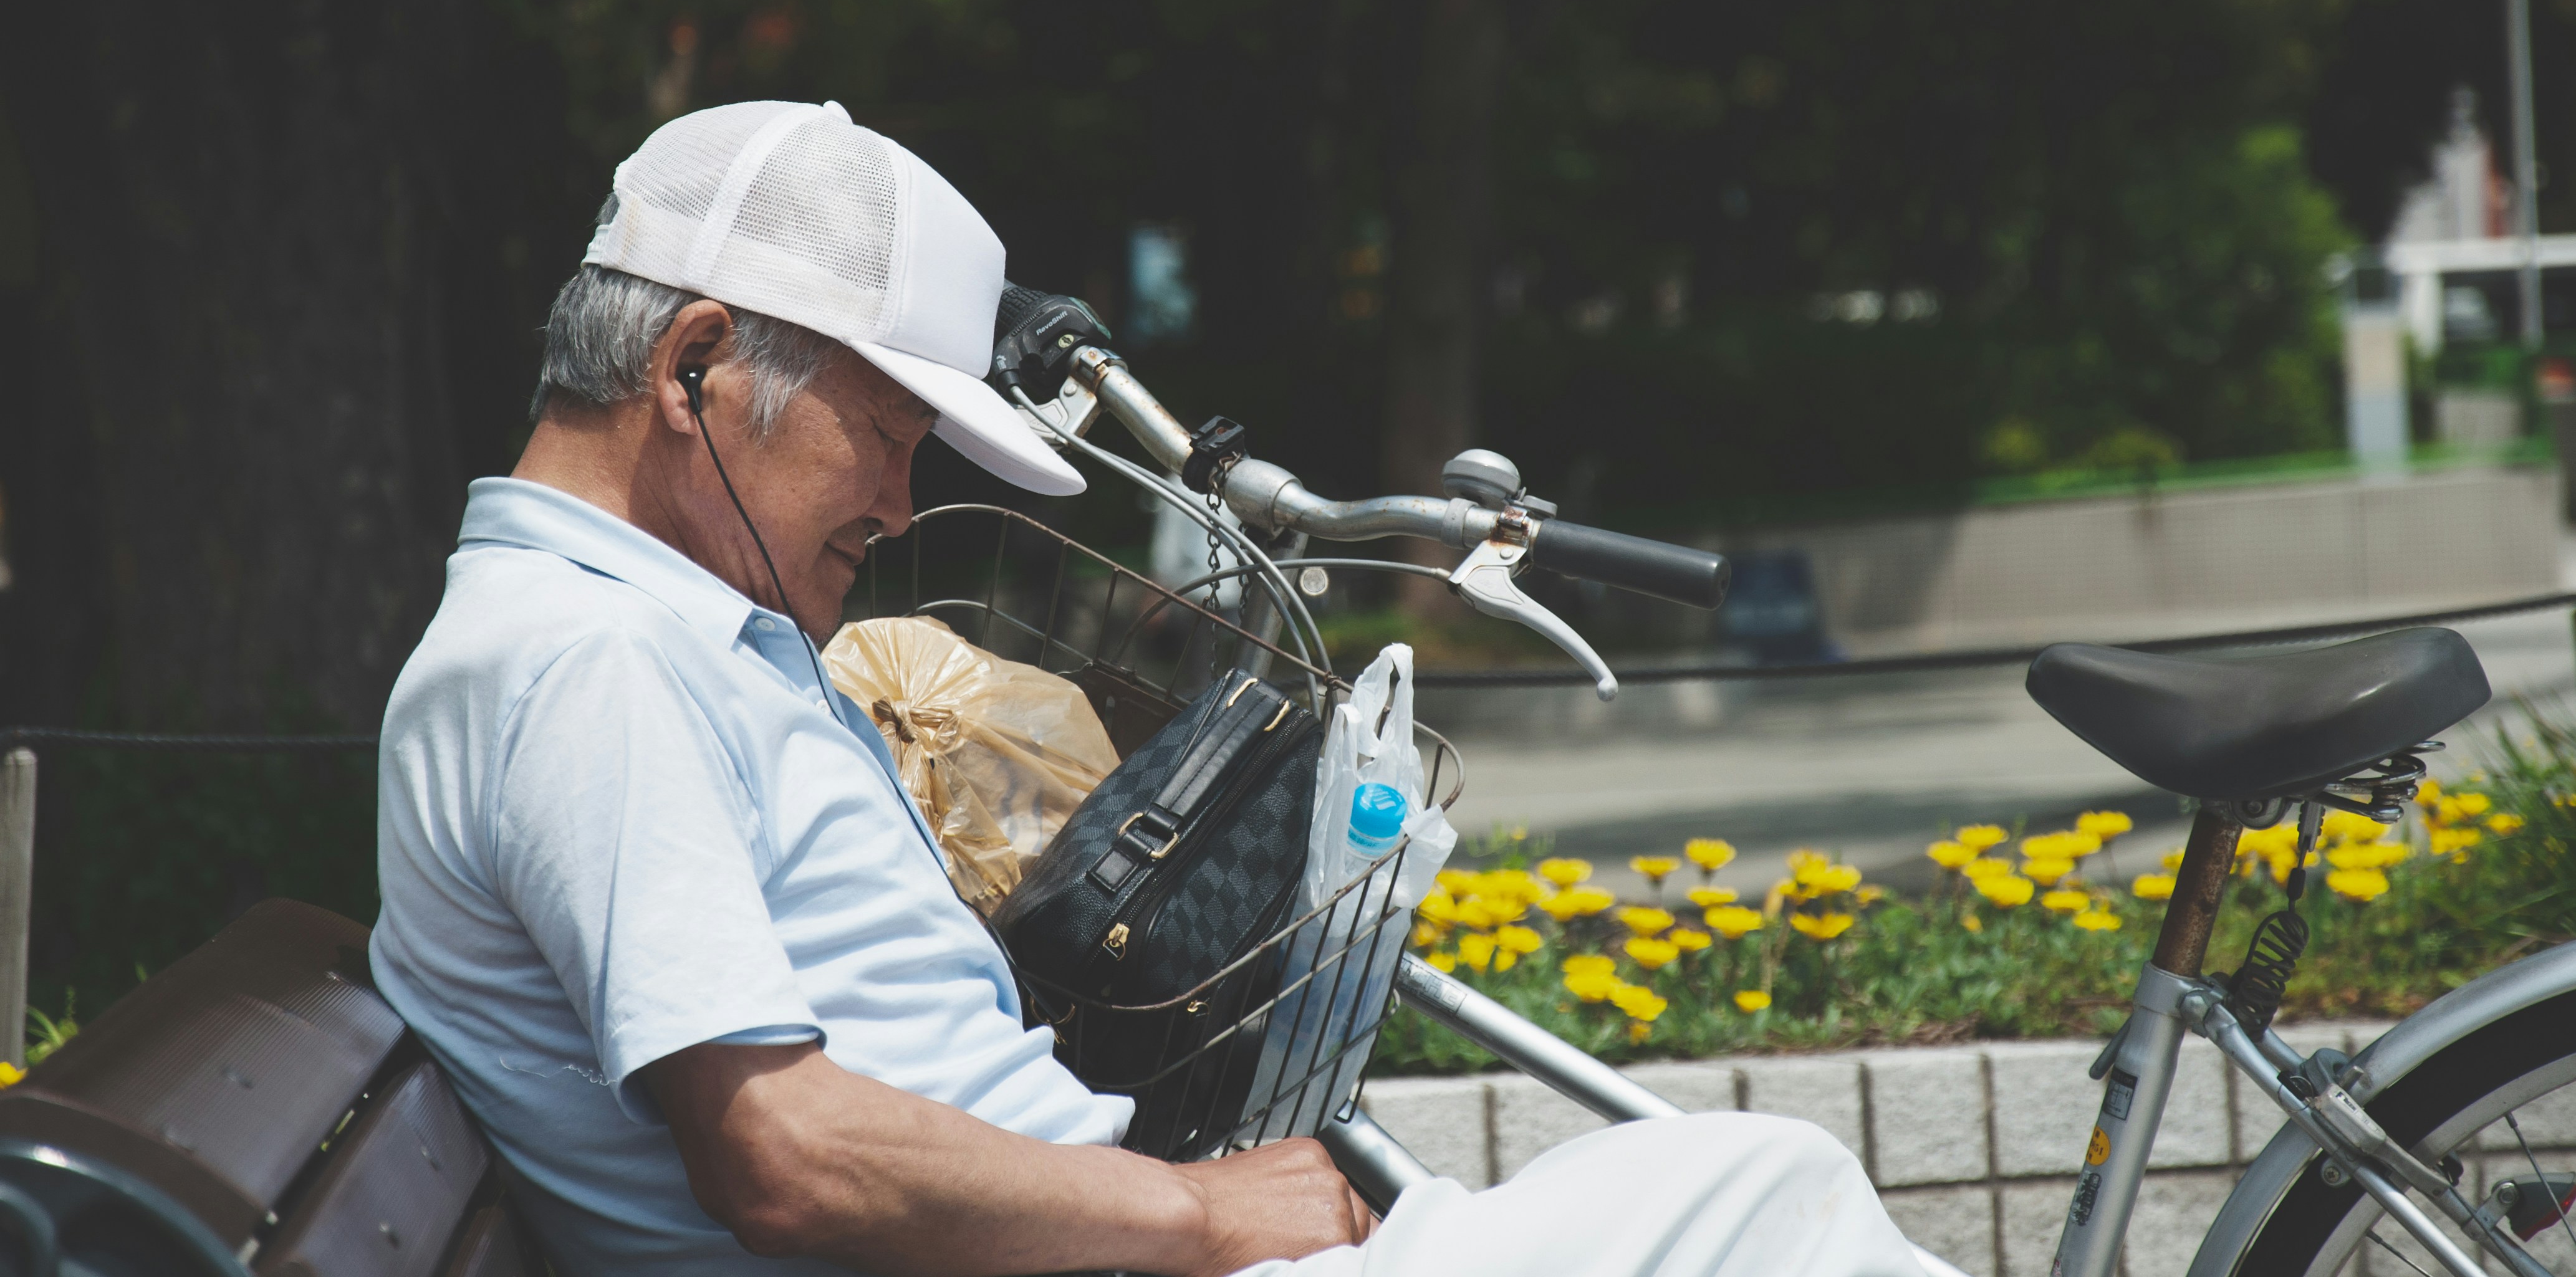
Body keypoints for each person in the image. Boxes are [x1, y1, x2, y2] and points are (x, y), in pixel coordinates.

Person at [371, 100, 1928, 1276]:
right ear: (693, 365)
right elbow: (779, 1149)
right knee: (1768, 1204)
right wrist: (1184, 1210)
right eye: (889, 435)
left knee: (1763, 1191)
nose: (904, 508)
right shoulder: (587, 659)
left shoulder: (623, 631)